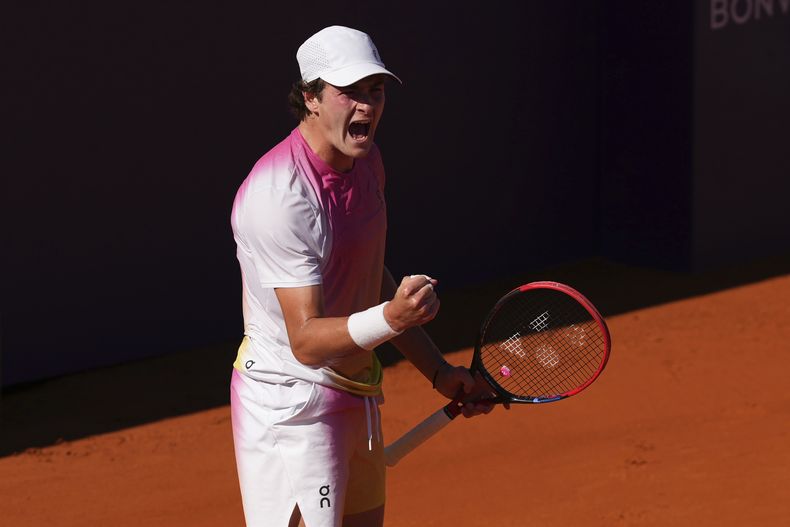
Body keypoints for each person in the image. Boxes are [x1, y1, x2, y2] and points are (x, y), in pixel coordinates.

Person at [229, 25, 495, 527]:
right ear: (310, 96)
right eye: (349, 92)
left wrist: (439, 373)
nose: (367, 106)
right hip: (293, 407)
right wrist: (392, 318)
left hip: (356, 392)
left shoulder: (367, 162)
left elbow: (371, 278)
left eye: (375, 91)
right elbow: (306, 341)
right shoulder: (279, 197)